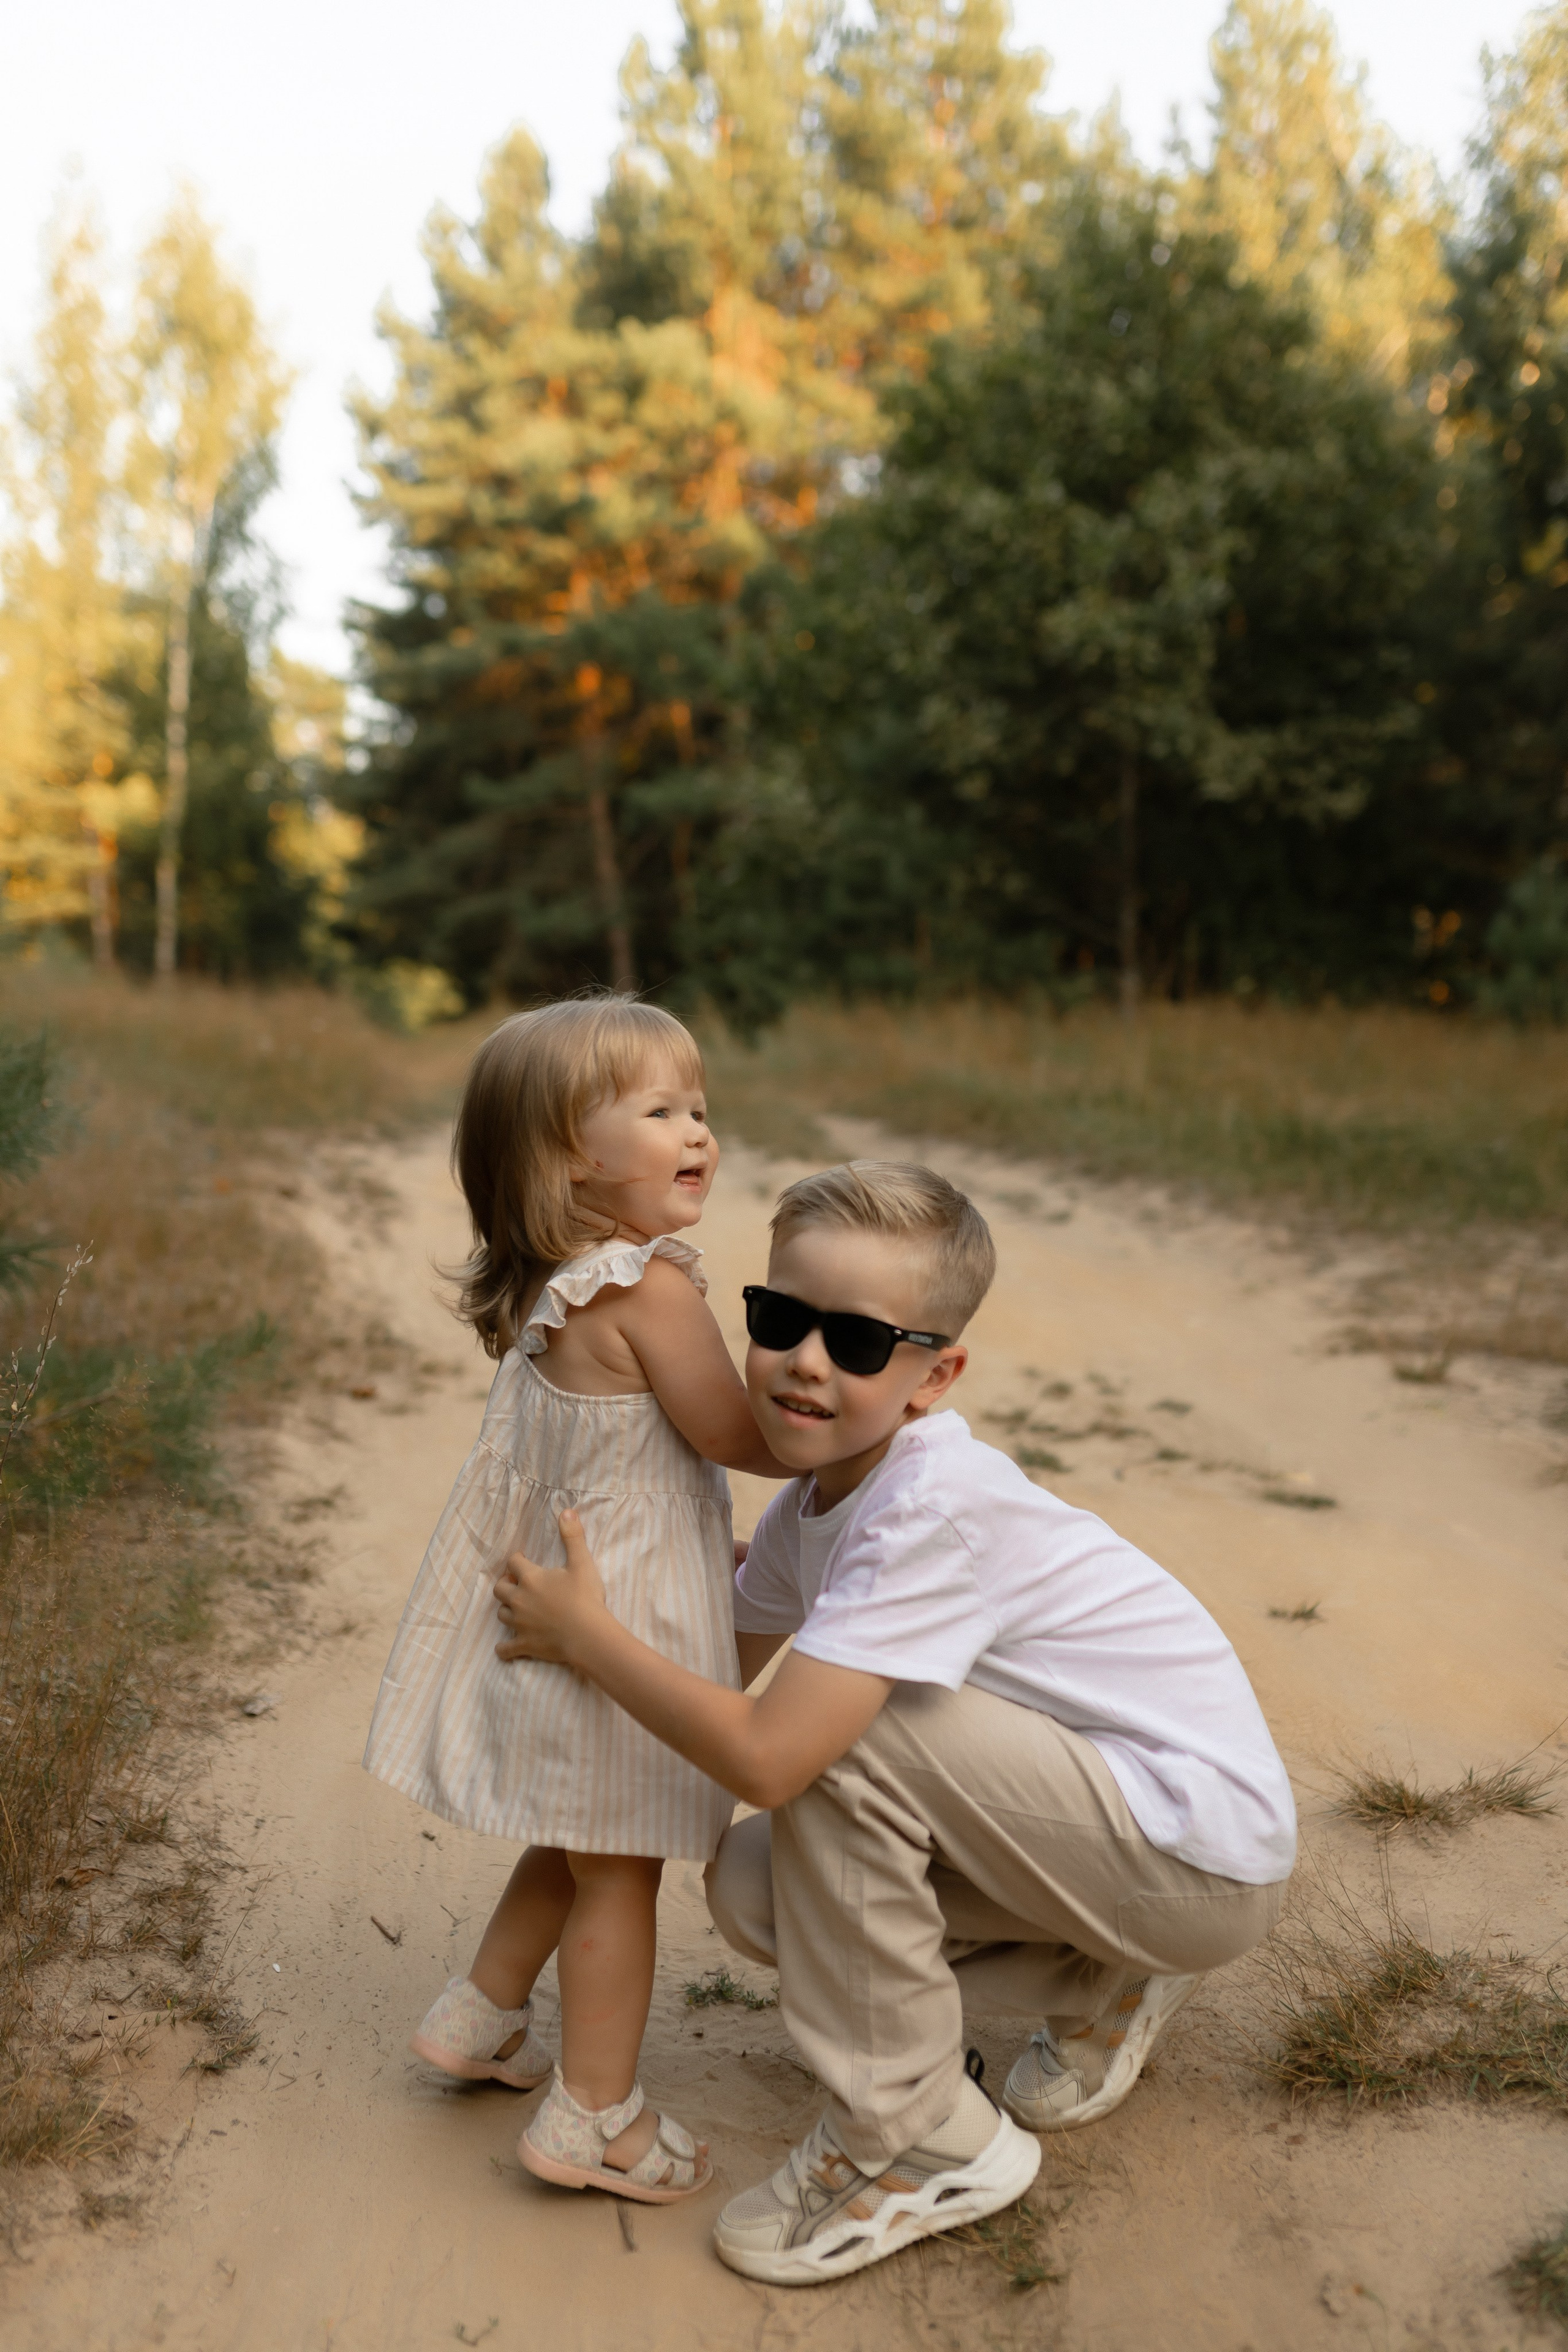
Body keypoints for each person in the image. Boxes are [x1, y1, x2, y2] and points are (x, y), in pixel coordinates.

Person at [494, 1159, 1297, 2283]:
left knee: (838, 1737)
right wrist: (591, 1610)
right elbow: (701, 1673)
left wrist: (596, 1642)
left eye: (860, 1343)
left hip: (1196, 1853)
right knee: (758, 1883)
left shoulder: (927, 1508)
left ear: (935, 1376)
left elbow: (766, 1755)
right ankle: (1105, 1975)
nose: (807, 1363)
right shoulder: (816, 1504)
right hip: (1116, 1844)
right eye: (780, 1320)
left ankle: (917, 2135)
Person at [363, 996, 787, 2205]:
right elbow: (733, 1435)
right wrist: (848, 1428)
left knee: (577, 1828)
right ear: (566, 1160)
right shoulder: (649, 1290)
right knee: (619, 1869)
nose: (698, 1131)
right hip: (621, 1626)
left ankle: (481, 2014)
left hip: (561, 1600)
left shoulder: (556, 1284)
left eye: (698, 1107)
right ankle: (593, 2117)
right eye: (657, 1111)